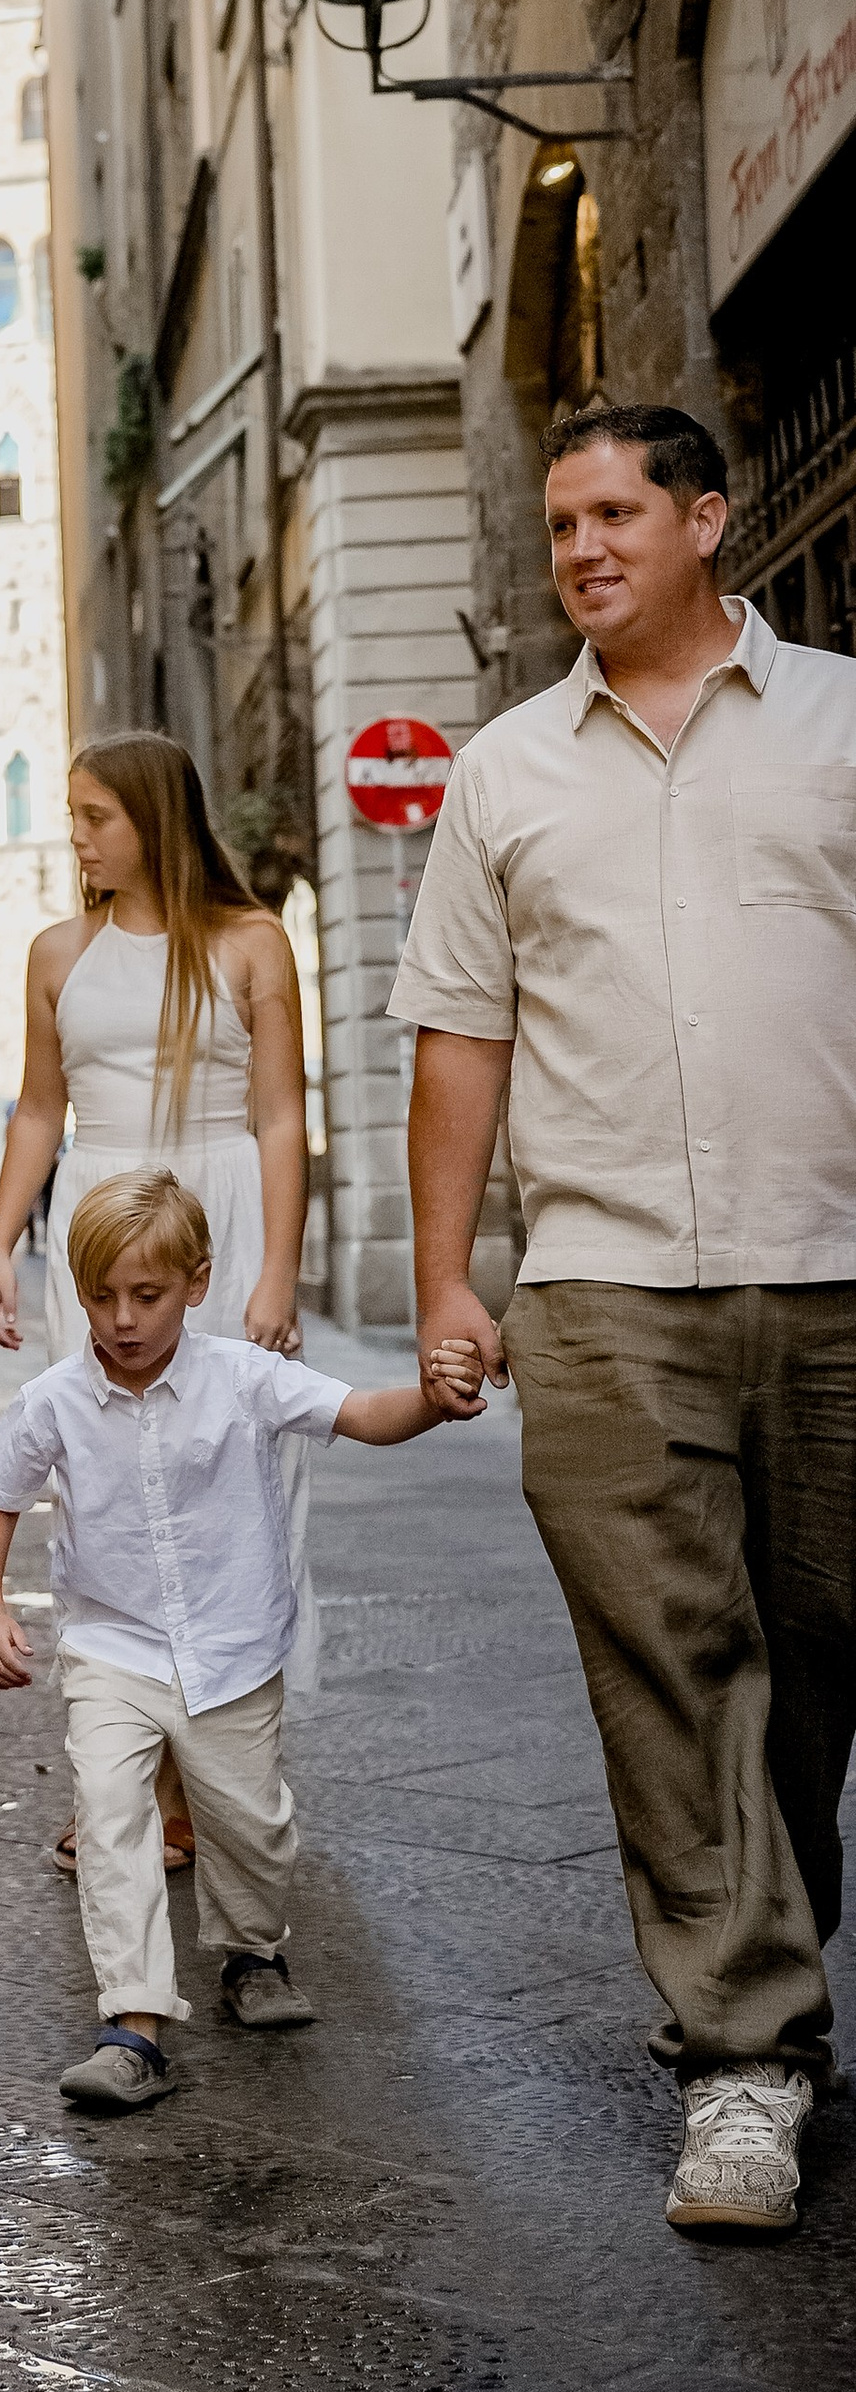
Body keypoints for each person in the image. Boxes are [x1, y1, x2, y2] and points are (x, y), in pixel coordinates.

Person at [396, 397, 856, 2236]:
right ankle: (742, 2055)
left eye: (613, 516)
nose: (580, 548)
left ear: (710, 523)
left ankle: (777, 1968)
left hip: (837, 1265)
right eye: (560, 523)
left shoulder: (840, 723)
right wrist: (451, 1278)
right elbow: (460, 1039)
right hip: (598, 1290)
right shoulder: (507, 773)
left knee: (817, 1651)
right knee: (674, 1680)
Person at [0, 1168, 485, 2113]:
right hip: (110, 1652)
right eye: (100, 1297)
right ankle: (133, 2022)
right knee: (112, 1817)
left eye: (147, 1296)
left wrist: (428, 1399)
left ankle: (252, 1949)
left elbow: (357, 1415)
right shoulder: (54, 1398)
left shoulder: (243, 1378)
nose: (122, 1318)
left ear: (197, 1284)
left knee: (250, 1826)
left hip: (233, 1650)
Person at [0, 733, 313, 1872]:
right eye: (71, 815)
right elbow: (36, 1110)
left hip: (221, 1214)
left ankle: (220, 1774)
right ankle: (127, 1787)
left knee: (231, 1492)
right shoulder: (55, 954)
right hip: (101, 1212)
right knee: (105, 1493)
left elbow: (278, 1118)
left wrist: (276, 1272)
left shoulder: (252, 943)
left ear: (153, 820)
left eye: (91, 816)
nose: (73, 836)